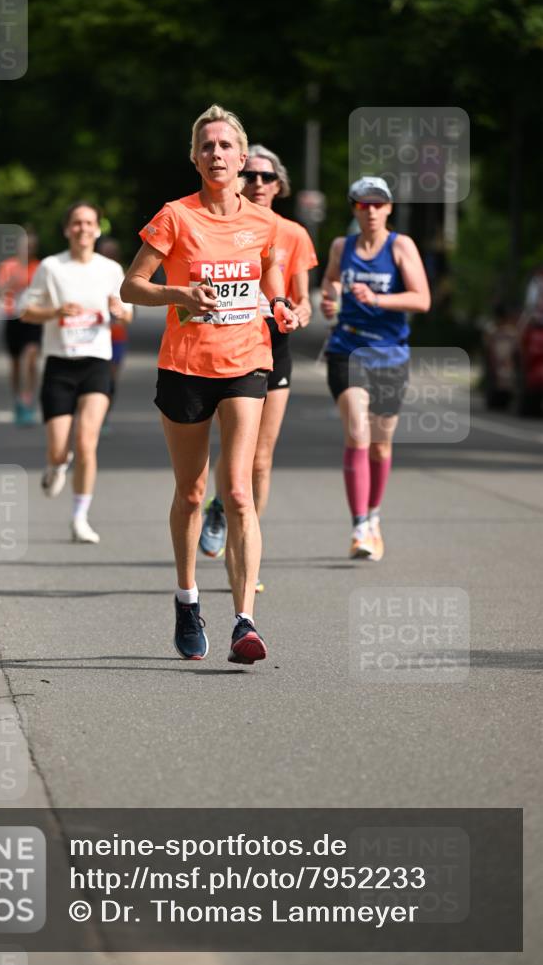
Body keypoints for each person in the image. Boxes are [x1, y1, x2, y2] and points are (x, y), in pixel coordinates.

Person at [121, 104, 298, 665]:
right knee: (192, 492)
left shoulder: (265, 223)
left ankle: (244, 620)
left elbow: (269, 280)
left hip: (248, 361)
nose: (217, 154)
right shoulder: (176, 216)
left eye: (226, 146)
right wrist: (178, 296)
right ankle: (187, 599)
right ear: (194, 157)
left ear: (243, 159)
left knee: (240, 490)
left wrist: (281, 306)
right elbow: (131, 286)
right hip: (185, 367)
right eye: (207, 146)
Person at [199, 145, 317, 592]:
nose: (258, 183)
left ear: (280, 185)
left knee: (261, 460)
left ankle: (245, 555)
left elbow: (301, 296)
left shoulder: (294, 234)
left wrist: (299, 312)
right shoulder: (225, 222)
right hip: (227, 344)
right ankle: (219, 505)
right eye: (250, 175)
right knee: (233, 452)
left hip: (275, 344)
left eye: (267, 177)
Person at [320, 176, 431, 560]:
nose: (370, 211)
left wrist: (379, 300)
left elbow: (422, 299)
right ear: (355, 208)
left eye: (377, 204)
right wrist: (329, 301)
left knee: (381, 447)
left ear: (389, 208)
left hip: (390, 354)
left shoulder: (401, 246)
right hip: (346, 347)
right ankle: (360, 526)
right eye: (363, 204)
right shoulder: (341, 246)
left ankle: (375, 515)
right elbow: (331, 283)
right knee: (357, 430)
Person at [20, 202, 132, 543]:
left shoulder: (111, 269)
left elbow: (127, 314)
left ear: (97, 229)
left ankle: (80, 517)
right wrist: (55, 311)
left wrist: (118, 311)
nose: (83, 228)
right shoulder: (52, 268)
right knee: (59, 449)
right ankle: (57, 465)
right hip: (59, 364)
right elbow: (25, 311)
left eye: (89, 223)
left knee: (87, 442)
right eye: (76, 223)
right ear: (67, 229)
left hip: (97, 362)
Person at [0, 230, 41, 424]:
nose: (28, 249)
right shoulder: (8, 266)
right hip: (13, 318)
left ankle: (28, 399)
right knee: (15, 364)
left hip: (33, 319)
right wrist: (12, 283)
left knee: (30, 358)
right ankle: (18, 399)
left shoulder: (40, 267)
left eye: (31, 246)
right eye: (25, 246)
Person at [97, 237, 133, 418]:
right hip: (94, 338)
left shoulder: (121, 275)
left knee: (110, 379)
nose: (109, 256)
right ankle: (94, 415)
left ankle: (104, 415)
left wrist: (119, 313)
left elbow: (129, 316)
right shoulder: (91, 274)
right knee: (96, 378)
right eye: (106, 252)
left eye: (112, 253)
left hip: (116, 338)